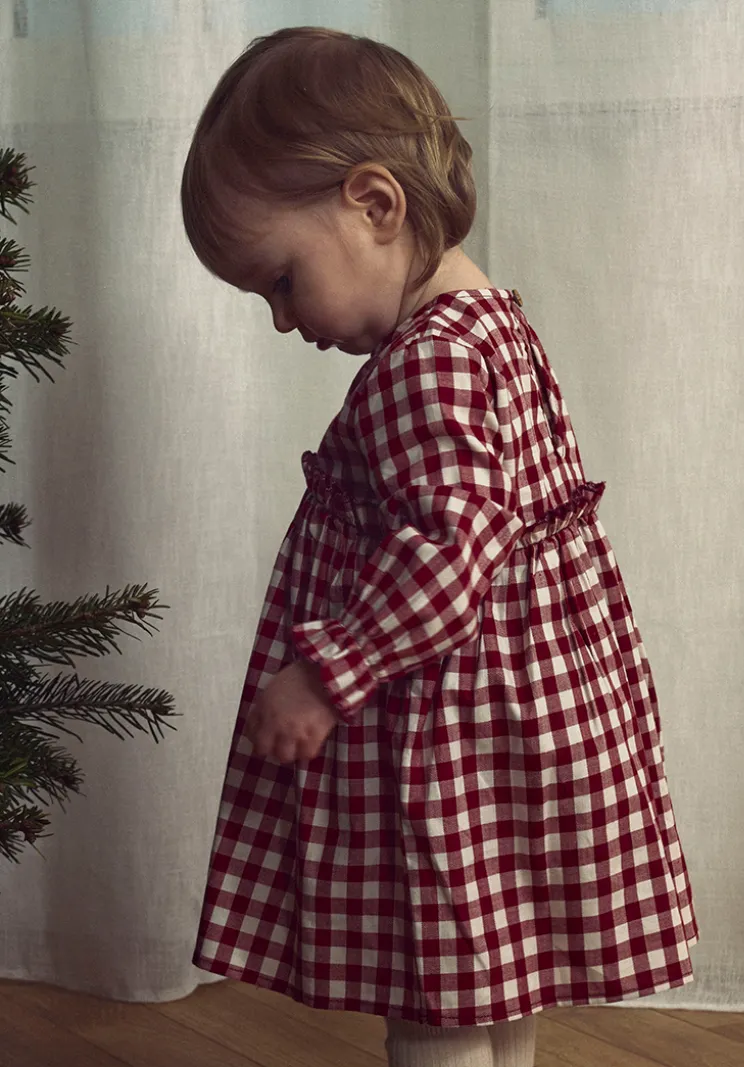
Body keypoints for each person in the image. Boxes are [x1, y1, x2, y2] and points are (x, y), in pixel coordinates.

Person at [180, 25, 698, 1067]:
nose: (281, 320)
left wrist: (325, 671)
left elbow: (449, 553)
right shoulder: (491, 321)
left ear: (374, 205)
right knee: (489, 969)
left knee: (435, 978)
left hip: (450, 729)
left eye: (280, 280)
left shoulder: (428, 363)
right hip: (523, 711)